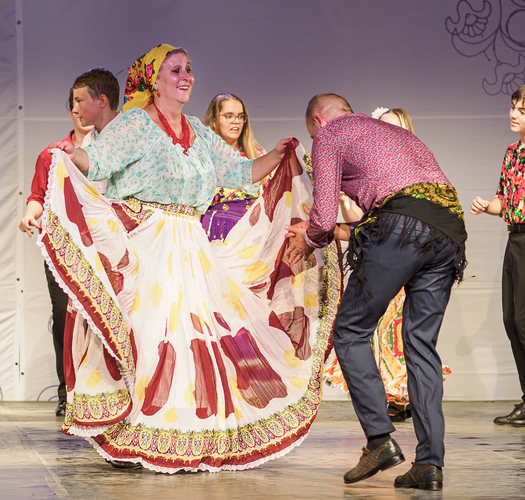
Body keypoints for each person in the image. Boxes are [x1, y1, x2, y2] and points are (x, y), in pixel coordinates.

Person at [42, 44, 341, 472]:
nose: (186, 77)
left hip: (191, 244)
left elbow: (238, 172)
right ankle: (135, 428)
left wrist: (276, 156)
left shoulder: (198, 132)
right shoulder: (135, 124)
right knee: (152, 333)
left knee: (194, 334)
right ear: (154, 80)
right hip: (148, 241)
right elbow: (98, 162)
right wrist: (69, 156)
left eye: (188, 69)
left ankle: (185, 428)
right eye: (176, 70)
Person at [286, 94, 467, 490]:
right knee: (420, 344)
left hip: (403, 226)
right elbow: (398, 200)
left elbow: (323, 215)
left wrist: (310, 239)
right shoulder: (393, 133)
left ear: (318, 120)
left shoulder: (330, 133)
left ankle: (380, 440)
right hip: (449, 227)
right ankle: (429, 464)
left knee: (350, 330)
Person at [19, 88, 93, 417]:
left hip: (104, 247)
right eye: (74, 104)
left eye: (84, 103)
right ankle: (68, 391)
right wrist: (30, 213)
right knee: (64, 317)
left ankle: (104, 392)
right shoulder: (51, 154)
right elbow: (38, 195)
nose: (79, 110)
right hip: (63, 245)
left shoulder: (113, 153)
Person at [470, 83, 525, 427]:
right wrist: (486, 205)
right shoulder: (512, 153)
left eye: (522, 111)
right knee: (510, 320)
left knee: (523, 321)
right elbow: (504, 200)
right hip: (515, 239)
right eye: (513, 108)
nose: (513, 114)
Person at [200, 93, 269, 241]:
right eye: (229, 116)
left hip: (253, 230)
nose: (236, 121)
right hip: (217, 227)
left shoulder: (257, 155)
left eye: (240, 116)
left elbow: (271, 195)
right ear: (214, 121)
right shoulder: (203, 156)